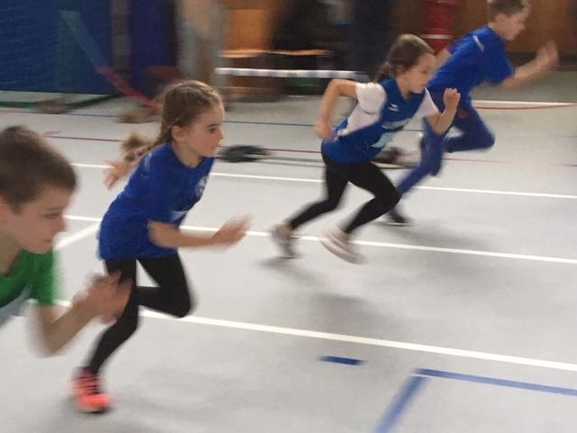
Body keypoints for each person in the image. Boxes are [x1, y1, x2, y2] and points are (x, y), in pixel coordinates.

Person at [73, 80, 249, 414]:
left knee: (180, 303)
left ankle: (112, 299)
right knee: (128, 323)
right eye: (212, 128)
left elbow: (151, 151)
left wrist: (127, 165)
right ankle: (87, 375)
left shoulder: (201, 154)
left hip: (154, 236)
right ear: (180, 132)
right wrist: (214, 240)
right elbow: (163, 237)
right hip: (124, 238)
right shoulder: (163, 172)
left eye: (221, 126)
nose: (221, 136)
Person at [272, 35, 460, 263]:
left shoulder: (421, 97)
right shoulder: (378, 93)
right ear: (402, 70)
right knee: (389, 197)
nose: (429, 77)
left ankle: (285, 229)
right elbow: (337, 86)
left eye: (431, 72)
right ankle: (341, 235)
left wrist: (450, 108)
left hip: (343, 154)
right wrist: (323, 121)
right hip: (344, 153)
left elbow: (438, 126)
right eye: (424, 71)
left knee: (331, 201)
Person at [386, 0, 559, 225]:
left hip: (458, 100)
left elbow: (448, 51)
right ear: (502, 19)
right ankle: (391, 199)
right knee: (431, 165)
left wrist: (433, 73)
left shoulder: (482, 35)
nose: (521, 27)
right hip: (438, 101)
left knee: (483, 139)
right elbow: (510, 81)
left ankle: (433, 144)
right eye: (519, 21)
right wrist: (541, 66)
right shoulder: (489, 46)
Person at [0, 126, 129, 351]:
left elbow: (50, 341)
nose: (63, 226)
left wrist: (86, 310)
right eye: (51, 214)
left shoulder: (37, 254)